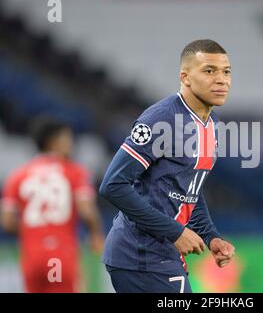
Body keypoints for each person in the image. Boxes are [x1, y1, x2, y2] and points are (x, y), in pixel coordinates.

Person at [99, 39, 236, 293]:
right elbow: (113, 185)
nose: (221, 79)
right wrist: (175, 232)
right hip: (140, 256)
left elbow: (188, 190)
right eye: (209, 71)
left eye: (226, 71)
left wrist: (210, 236)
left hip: (160, 257)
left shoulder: (211, 124)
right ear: (185, 77)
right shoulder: (162, 119)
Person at [1, 117, 105, 293]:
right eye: (67, 138)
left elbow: (7, 222)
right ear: (55, 141)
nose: (71, 143)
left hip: (31, 257)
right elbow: (86, 210)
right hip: (60, 255)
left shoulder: (17, 176)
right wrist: (96, 234)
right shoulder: (74, 171)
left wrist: (33, 232)